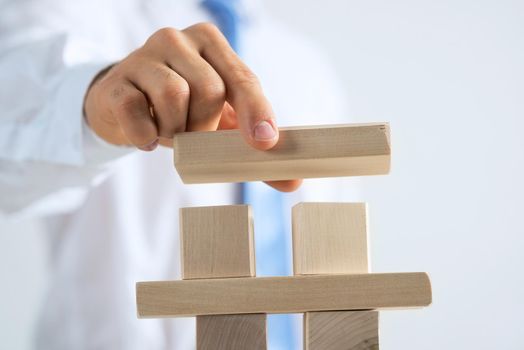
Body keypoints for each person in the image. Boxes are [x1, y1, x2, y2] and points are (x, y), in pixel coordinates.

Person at [0, 0, 358, 348]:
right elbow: (15, 117)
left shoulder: (306, 65)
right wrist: (96, 99)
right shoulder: (65, 13)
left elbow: (336, 251)